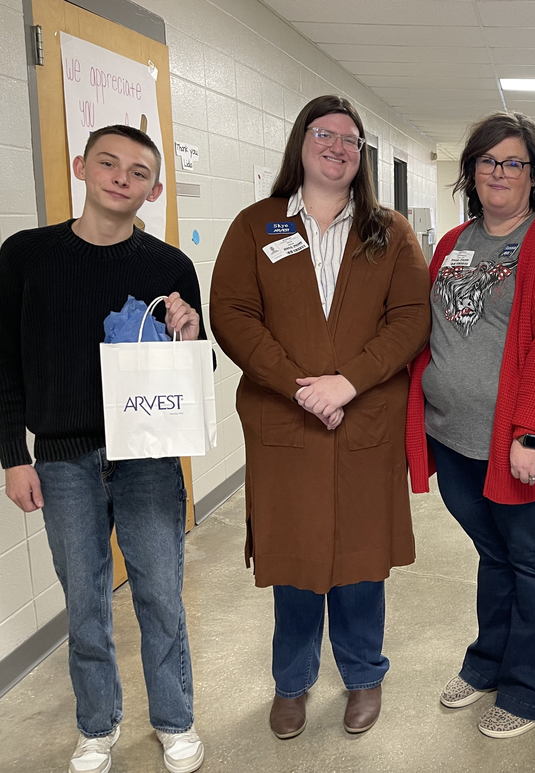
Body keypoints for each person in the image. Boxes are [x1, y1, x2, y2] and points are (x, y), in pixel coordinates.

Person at [210, 96, 430, 740]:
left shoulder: (388, 232)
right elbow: (232, 313)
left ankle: (364, 675)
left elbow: (410, 319)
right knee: (298, 557)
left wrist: (349, 382)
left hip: (365, 419)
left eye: (350, 140)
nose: (337, 146)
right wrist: (299, 387)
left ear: (360, 157)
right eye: (324, 133)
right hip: (288, 421)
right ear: (301, 143)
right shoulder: (259, 226)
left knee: (361, 561)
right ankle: (292, 684)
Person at [0, 125, 207, 773]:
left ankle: (175, 720)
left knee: (160, 594)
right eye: (109, 163)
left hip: (147, 456)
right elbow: (4, 361)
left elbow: (195, 368)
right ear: (81, 166)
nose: (122, 177)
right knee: (86, 601)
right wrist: (13, 454)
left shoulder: (169, 266)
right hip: (61, 457)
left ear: (154, 187)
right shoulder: (26, 255)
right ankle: (97, 725)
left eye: (138, 171)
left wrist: (188, 329)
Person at [406, 111, 535, 739]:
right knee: (495, 554)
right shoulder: (453, 242)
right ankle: (491, 662)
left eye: (513, 162)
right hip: (455, 437)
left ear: (533, 173)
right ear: (471, 171)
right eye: (488, 160)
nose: (499, 172)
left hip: (519, 441)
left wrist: (532, 432)